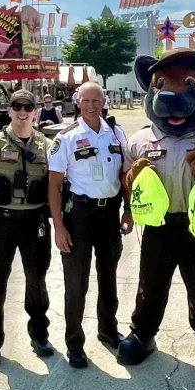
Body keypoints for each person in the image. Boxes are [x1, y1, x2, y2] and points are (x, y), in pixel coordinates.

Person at [118, 49, 195, 373]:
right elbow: (125, 179)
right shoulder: (141, 139)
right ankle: (143, 334)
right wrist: (132, 179)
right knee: (151, 283)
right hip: (157, 225)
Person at [0, 90, 53, 371]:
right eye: (18, 106)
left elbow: (57, 186)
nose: (23, 111)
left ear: (36, 111)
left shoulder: (48, 146)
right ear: (10, 110)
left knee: (37, 281)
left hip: (35, 222)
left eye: (29, 106)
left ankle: (39, 335)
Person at [48, 82, 134, 368]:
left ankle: (108, 330)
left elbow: (125, 175)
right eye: (86, 100)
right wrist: (59, 227)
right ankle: (74, 343)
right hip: (79, 215)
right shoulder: (67, 137)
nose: (91, 105)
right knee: (76, 282)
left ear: (104, 102)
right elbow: (55, 184)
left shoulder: (116, 132)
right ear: (77, 102)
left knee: (109, 278)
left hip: (109, 214)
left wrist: (129, 210)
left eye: (97, 100)